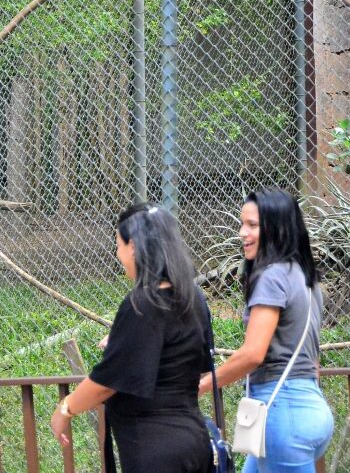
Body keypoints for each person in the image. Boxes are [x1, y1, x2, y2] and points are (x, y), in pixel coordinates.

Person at [49, 204, 213, 473]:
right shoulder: (193, 297)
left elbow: (107, 382)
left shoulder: (142, 303)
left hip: (154, 447)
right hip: (193, 439)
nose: (118, 254)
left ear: (134, 246)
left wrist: (65, 409)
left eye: (119, 244)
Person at [198, 188, 333, 472]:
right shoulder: (306, 279)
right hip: (310, 408)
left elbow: (253, 354)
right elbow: (313, 360)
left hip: (282, 415)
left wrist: (202, 384)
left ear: (276, 228)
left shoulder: (272, 277)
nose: (242, 233)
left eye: (252, 225)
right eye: (241, 224)